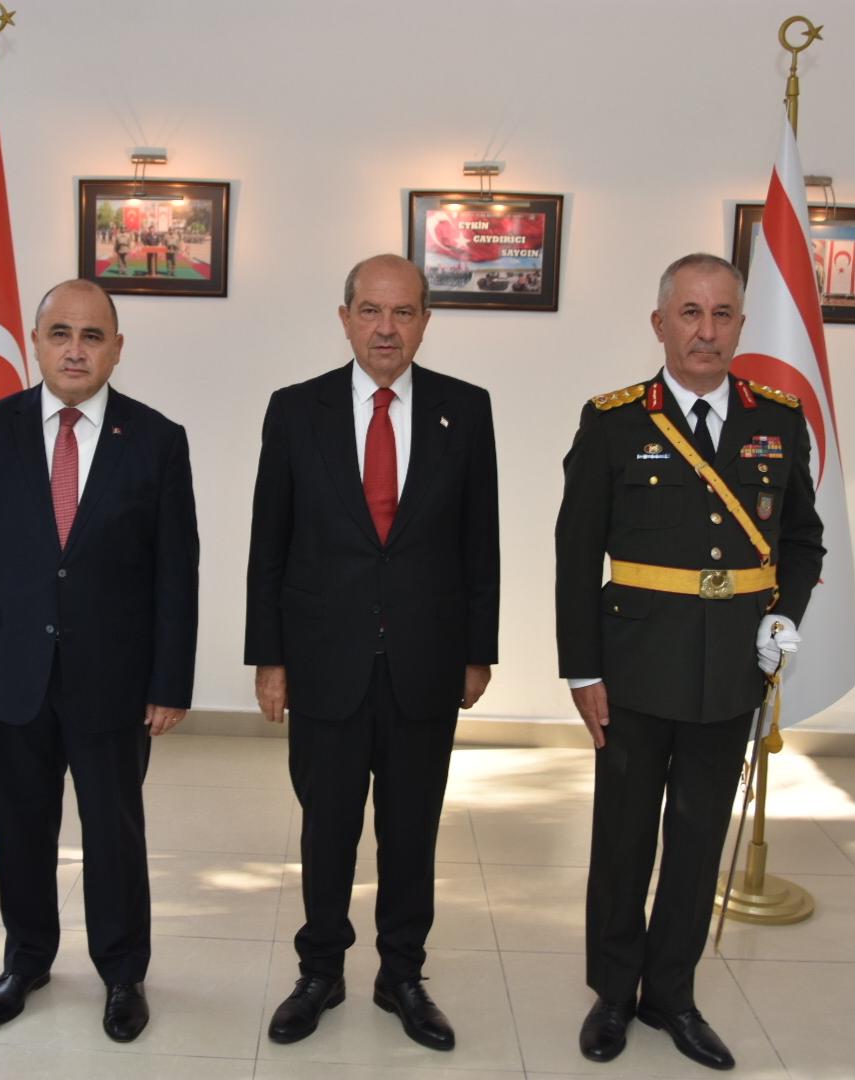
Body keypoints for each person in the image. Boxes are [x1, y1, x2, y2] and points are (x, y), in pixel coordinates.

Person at [555, 253, 824, 1071]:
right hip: (633, 670)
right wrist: (582, 671)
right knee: (624, 838)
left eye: (722, 314)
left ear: (741, 325)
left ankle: (672, 994)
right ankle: (613, 991)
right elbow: (576, 554)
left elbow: (802, 541)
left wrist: (782, 614)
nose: (707, 332)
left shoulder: (779, 419)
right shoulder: (614, 422)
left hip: (729, 670)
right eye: (691, 313)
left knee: (699, 839)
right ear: (660, 323)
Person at [0, 279, 199, 1043]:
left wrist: (169, 681)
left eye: (92, 335)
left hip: (115, 680)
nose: (75, 349)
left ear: (116, 349)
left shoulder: (157, 439)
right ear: (35, 342)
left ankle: (122, 973)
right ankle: (27, 961)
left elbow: (176, 572)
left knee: (114, 833)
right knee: (22, 828)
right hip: (11, 671)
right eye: (60, 334)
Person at [245, 253, 499, 1052]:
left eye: (404, 312)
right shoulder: (297, 410)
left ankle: (402, 975)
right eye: (370, 311)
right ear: (346, 317)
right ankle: (319, 971)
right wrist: (270, 658)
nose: (386, 328)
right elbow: (269, 545)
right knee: (326, 829)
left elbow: (480, 541)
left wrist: (478, 649)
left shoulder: (466, 409)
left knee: (411, 831)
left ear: (425, 321)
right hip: (324, 662)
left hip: (426, 661)